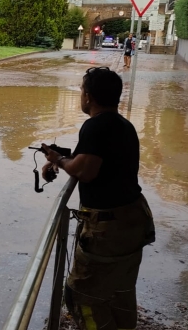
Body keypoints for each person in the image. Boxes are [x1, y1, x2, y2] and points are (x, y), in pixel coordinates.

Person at [40, 67, 155, 330]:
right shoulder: (123, 125)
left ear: (89, 97)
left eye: (81, 90)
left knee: (81, 295)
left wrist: (57, 159)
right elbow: (91, 161)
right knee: (119, 290)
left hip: (107, 227)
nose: (81, 95)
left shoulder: (95, 126)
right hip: (132, 218)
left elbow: (84, 170)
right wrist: (61, 160)